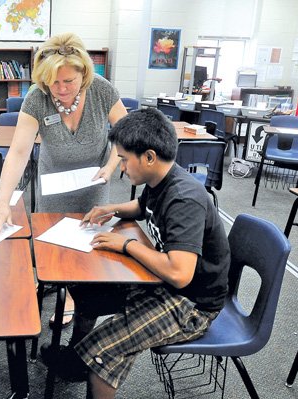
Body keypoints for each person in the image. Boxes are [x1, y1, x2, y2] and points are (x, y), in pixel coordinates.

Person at [44, 108, 231, 398]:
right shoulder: (161, 180)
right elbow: (143, 207)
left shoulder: (184, 198)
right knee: (86, 293)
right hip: (164, 283)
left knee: (103, 351)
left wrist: (127, 245)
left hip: (192, 304)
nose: (120, 168)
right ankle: (76, 362)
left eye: (123, 159)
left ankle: (89, 360)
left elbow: (179, 274)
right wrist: (112, 209)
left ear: (149, 157)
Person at [0, 32, 128, 326]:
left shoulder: (101, 90)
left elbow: (125, 136)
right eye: (53, 82)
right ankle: (50, 284)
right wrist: (2, 202)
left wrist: (111, 168)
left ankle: (75, 295)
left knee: (87, 242)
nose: (60, 89)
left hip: (94, 182)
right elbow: (19, 152)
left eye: (69, 82)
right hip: (54, 182)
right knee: (52, 243)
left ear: (83, 74)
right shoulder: (37, 98)